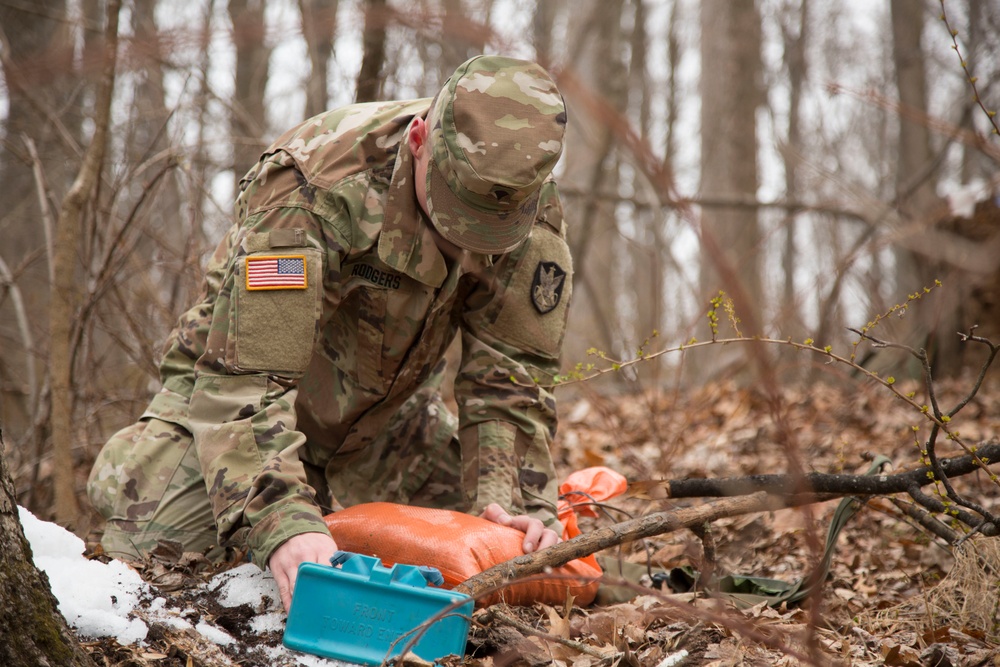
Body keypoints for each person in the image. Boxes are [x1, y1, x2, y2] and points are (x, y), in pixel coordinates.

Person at [87, 54, 573, 611]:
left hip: (387, 428)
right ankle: (154, 467)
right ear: (419, 138)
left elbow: (510, 383)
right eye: (453, 210)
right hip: (237, 411)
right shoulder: (315, 187)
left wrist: (508, 503)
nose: (468, 242)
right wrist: (284, 520)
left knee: (518, 566)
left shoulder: (529, 211)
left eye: (489, 228)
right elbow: (243, 384)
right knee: (155, 566)